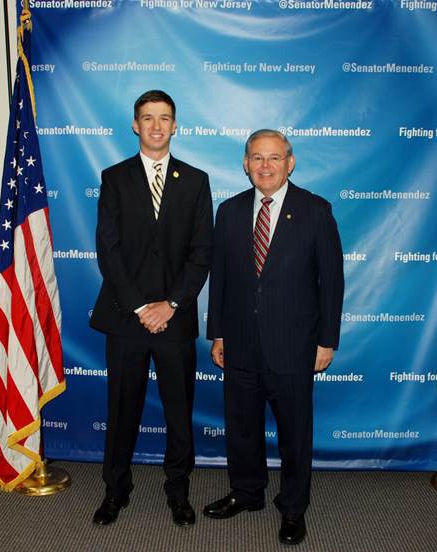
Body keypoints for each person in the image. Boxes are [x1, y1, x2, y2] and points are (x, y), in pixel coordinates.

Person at [204, 129, 344, 545]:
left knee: (295, 433)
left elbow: (331, 284)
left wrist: (326, 341)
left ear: (290, 162)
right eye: (257, 158)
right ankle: (247, 493)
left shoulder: (316, 210)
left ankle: (293, 508)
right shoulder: (228, 212)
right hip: (241, 343)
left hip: (295, 346)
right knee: (241, 427)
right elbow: (221, 279)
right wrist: (218, 335)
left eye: (274, 157)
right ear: (245, 164)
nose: (266, 166)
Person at [90, 90, 213, 527]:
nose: (157, 126)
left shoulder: (196, 181)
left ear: (175, 125)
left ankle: (179, 493)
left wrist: (172, 304)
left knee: (180, 414)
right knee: (122, 411)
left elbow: (202, 253)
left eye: (164, 118)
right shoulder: (114, 177)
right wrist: (143, 306)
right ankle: (115, 490)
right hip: (127, 317)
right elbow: (109, 250)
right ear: (135, 125)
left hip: (175, 320)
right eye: (148, 118)